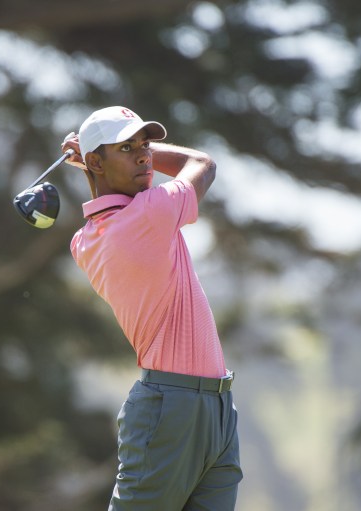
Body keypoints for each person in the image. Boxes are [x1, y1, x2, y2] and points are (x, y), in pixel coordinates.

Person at [61, 106, 242, 510]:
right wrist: (91, 163)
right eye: (129, 147)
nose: (145, 156)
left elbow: (110, 195)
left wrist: (101, 165)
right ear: (94, 160)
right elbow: (202, 164)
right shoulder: (148, 213)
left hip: (212, 405)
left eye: (146, 144)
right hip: (173, 409)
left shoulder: (86, 240)